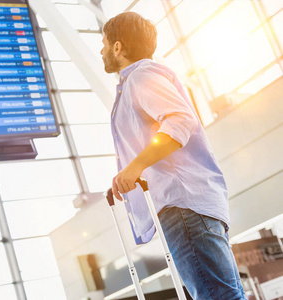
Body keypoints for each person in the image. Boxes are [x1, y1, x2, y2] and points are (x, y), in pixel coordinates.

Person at [101, 11, 247, 300]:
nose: (101, 50)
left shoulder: (141, 75)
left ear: (117, 47)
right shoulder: (140, 80)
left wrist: (135, 167)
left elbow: (179, 120)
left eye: (104, 43)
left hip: (183, 205)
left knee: (218, 297)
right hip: (188, 206)